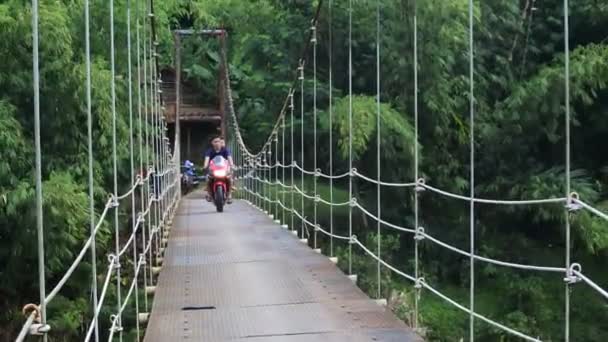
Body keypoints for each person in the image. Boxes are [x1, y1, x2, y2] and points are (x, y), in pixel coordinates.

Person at [203, 136, 234, 203]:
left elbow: (229, 158)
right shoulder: (209, 151)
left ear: (221, 142)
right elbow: (207, 159)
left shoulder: (225, 150)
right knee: (207, 179)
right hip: (213, 170)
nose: (217, 143)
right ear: (212, 143)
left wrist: (232, 165)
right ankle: (209, 194)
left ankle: (229, 195)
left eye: (219, 141)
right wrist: (205, 166)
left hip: (224, 169)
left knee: (230, 178)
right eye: (215, 142)